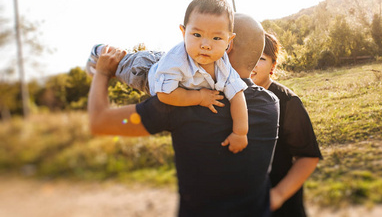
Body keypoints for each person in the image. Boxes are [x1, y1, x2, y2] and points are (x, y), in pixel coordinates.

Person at [88, 13, 280, 217]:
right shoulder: (271, 104)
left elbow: (99, 122)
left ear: (227, 46)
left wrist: (101, 73)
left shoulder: (182, 102)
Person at [88, 0, 249, 153]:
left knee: (137, 62)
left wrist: (240, 132)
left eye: (216, 38)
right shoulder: (176, 61)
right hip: (145, 72)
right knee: (121, 64)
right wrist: (200, 97)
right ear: (183, 32)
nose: (206, 45)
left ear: (229, 41)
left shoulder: (222, 63)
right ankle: (98, 51)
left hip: (165, 64)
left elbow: (237, 95)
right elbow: (165, 95)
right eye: (197, 35)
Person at [251, 32, 322, 217]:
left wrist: (278, 195)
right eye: (248, 55)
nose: (252, 63)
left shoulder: (288, 101)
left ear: (273, 66)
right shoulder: (232, 96)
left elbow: (308, 157)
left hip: (279, 205)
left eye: (260, 58)